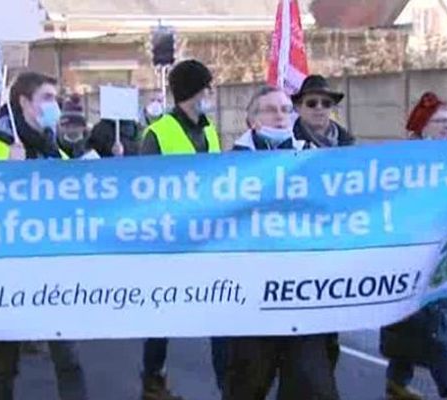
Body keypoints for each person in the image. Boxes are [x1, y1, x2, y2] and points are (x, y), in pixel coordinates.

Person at [0, 72, 88, 400]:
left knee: (69, 361)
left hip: (54, 275)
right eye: (48, 98)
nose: (56, 106)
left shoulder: (60, 155)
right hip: (9, 275)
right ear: (24, 102)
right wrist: (9, 174)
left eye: (57, 98)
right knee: (4, 365)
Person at [223, 86, 339, 400]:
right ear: (251, 121)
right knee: (246, 389)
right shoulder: (227, 168)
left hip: (301, 301)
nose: (280, 116)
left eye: (286, 109)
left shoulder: (313, 161)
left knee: (313, 389)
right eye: (270, 110)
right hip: (250, 306)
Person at [140, 59, 222, 400]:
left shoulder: (210, 130)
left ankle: (229, 385)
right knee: (164, 313)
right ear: (194, 91)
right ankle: (153, 380)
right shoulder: (157, 133)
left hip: (209, 236)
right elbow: (143, 188)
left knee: (222, 308)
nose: (212, 94)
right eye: (208, 87)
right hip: (169, 239)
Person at [380, 92, 447, 400]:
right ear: (422, 128)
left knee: (425, 317)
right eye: (440, 122)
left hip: (446, 250)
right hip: (414, 252)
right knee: (425, 322)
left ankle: (397, 380)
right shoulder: (405, 163)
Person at [291, 74, 355, 371]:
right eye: (311, 102)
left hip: (334, 245)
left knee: (329, 327)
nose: (319, 108)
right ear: (299, 107)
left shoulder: (347, 144)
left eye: (326, 103)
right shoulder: (282, 143)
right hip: (295, 247)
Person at [57, 95, 99, 159]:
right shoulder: (56, 145)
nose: (70, 129)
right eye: (66, 125)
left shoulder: (94, 144)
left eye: (74, 125)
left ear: (83, 126)